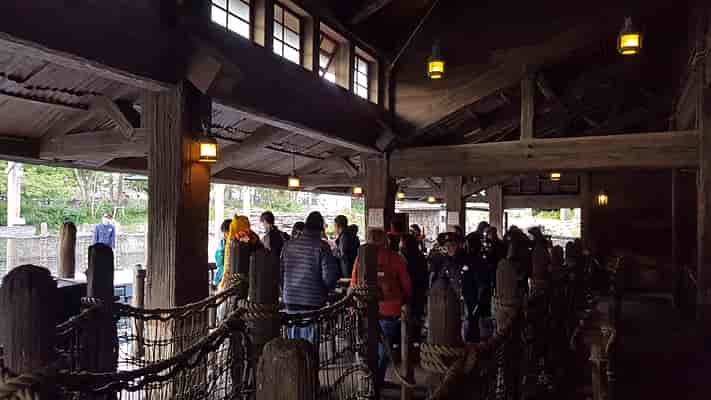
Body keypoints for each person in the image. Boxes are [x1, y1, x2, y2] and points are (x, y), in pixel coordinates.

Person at [350, 228, 412, 387]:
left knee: (368, 345)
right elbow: (406, 285)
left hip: (365, 309)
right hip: (390, 309)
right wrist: (405, 301)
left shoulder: (360, 258)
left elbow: (354, 283)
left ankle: (369, 381)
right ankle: (378, 380)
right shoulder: (395, 258)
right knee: (384, 347)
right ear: (385, 240)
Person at [281, 211, 340, 342]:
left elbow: (281, 274)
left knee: (292, 344)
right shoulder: (322, 246)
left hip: (290, 300)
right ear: (320, 229)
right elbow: (329, 277)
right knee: (309, 347)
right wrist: (326, 291)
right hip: (312, 303)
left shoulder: (288, 245)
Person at [217, 215, 262, 291]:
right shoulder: (253, 237)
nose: (225, 236)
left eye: (226, 233)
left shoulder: (238, 241)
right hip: (252, 280)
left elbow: (229, 265)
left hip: (243, 281)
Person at [400, 233, 428, 342]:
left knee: (406, 315)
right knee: (417, 314)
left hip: (407, 290)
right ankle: (416, 338)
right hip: (419, 289)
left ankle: (406, 339)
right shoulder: (420, 256)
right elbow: (425, 275)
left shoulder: (402, 257)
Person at [213, 219, 232, 290]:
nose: (224, 235)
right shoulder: (222, 243)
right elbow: (219, 262)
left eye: (226, 232)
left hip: (227, 277)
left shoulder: (233, 244)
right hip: (221, 277)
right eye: (223, 233)